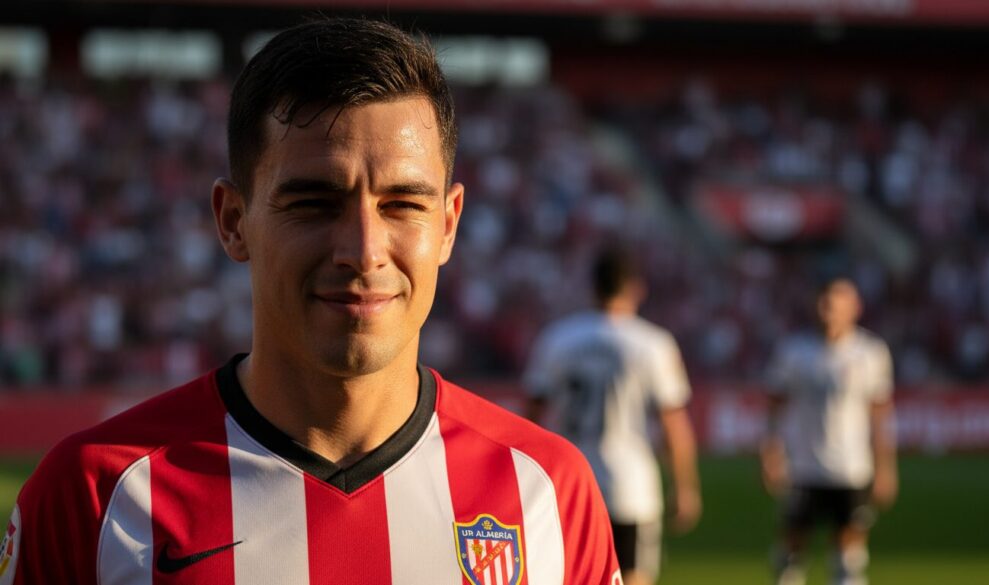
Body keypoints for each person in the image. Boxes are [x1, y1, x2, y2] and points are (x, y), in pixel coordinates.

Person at [1, 18, 622, 585]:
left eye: (403, 204)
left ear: (448, 224)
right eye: (313, 203)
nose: (363, 250)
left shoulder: (548, 494)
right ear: (233, 221)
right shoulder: (93, 497)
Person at [523, 247, 702, 585]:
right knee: (633, 576)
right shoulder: (653, 344)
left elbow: (529, 419)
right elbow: (673, 424)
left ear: (593, 287)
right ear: (636, 288)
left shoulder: (558, 340)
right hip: (631, 487)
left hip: (570, 484)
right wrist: (685, 486)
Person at [760, 277, 898, 585]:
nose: (828, 312)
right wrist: (770, 452)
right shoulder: (794, 351)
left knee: (848, 558)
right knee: (790, 554)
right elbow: (775, 406)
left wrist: (885, 468)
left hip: (851, 468)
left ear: (854, 308)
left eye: (836, 305)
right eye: (824, 304)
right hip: (803, 467)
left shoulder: (870, 353)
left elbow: (880, 415)